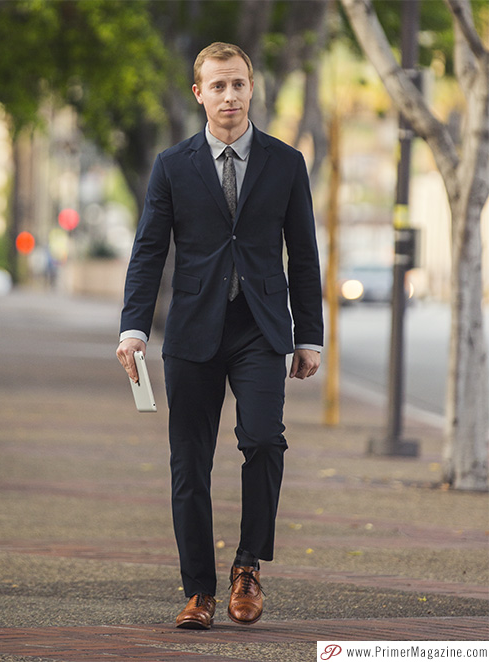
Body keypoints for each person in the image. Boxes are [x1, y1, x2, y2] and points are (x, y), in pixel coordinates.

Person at [116, 42, 323, 629]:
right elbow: (148, 252)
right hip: (192, 330)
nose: (228, 96)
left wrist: (309, 335)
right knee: (190, 463)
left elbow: (303, 256)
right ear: (198, 93)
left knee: (262, 440)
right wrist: (133, 329)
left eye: (238, 84)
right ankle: (199, 592)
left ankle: (247, 568)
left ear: (251, 89)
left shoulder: (286, 163)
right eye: (217, 86)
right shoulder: (172, 166)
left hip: (261, 329)